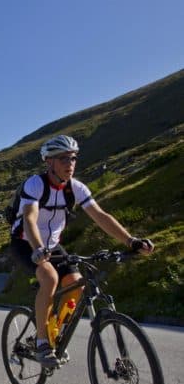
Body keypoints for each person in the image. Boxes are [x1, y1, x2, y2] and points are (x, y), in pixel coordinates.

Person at [10, 135, 154, 366]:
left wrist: (131, 241)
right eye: (64, 158)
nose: (70, 163)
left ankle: (54, 330)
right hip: (25, 242)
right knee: (49, 277)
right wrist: (37, 249)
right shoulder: (35, 184)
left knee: (76, 283)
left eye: (74, 158)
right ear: (49, 162)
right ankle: (41, 342)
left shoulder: (76, 188)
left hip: (52, 245)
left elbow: (100, 216)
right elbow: (29, 217)